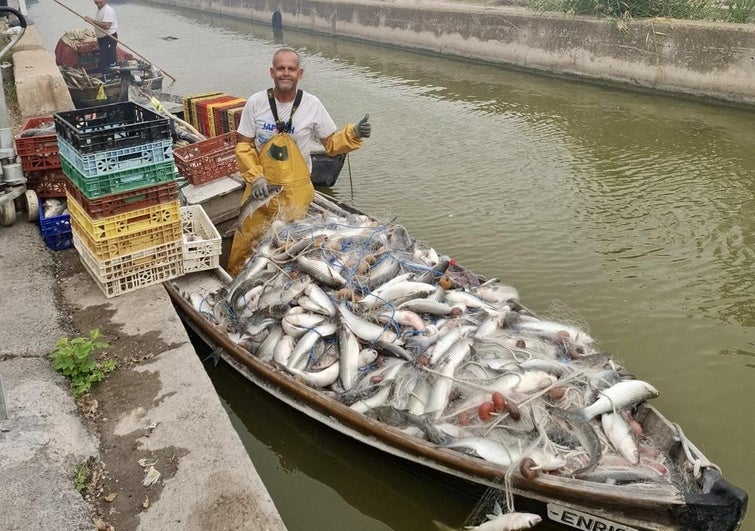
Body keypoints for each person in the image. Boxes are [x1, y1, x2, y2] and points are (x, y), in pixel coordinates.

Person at [227, 47, 371, 276]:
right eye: (281, 68)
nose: (286, 73)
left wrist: (354, 133)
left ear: (300, 73)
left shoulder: (312, 105)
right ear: (271, 72)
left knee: (289, 246)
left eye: (291, 69)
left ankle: (277, 280)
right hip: (261, 189)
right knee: (245, 244)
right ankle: (235, 281)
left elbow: (331, 144)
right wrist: (256, 178)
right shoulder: (256, 103)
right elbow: (244, 145)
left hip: (296, 193)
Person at [85, 0, 118, 75]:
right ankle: (103, 73)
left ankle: (108, 77)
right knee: (104, 59)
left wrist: (91, 21)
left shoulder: (108, 10)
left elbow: (107, 26)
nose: (97, 1)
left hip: (109, 37)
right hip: (102, 38)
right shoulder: (100, 10)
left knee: (105, 60)